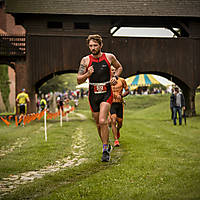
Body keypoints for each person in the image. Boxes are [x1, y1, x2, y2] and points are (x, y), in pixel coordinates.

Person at [77, 34, 123, 162]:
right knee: (98, 124)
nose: (93, 48)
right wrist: (88, 73)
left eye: (95, 45)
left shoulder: (109, 57)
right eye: (90, 45)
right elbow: (79, 80)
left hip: (106, 92)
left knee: (103, 121)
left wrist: (115, 77)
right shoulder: (85, 61)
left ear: (101, 45)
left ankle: (104, 150)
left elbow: (119, 67)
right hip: (93, 94)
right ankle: (106, 144)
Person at [109, 66, 129, 147]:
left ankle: (117, 130)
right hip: (111, 104)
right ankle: (116, 140)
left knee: (120, 123)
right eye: (112, 70)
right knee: (113, 120)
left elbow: (127, 90)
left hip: (119, 104)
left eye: (114, 70)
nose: (113, 72)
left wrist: (122, 95)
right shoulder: (107, 81)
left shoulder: (122, 80)